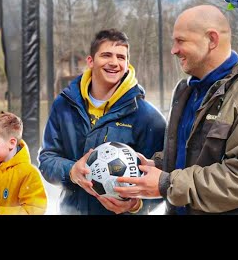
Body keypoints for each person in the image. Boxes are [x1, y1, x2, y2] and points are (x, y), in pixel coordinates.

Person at [115, 5, 238, 215]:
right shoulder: (187, 92)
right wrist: (156, 165)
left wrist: (166, 183)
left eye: (180, 41)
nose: (173, 50)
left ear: (212, 40)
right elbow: (196, 154)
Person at [38, 29, 166, 215]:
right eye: (106, 55)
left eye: (121, 57)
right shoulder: (64, 105)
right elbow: (47, 158)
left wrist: (135, 206)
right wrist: (71, 171)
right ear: (90, 61)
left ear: (127, 63)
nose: (114, 63)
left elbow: (163, 179)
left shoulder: (147, 117)